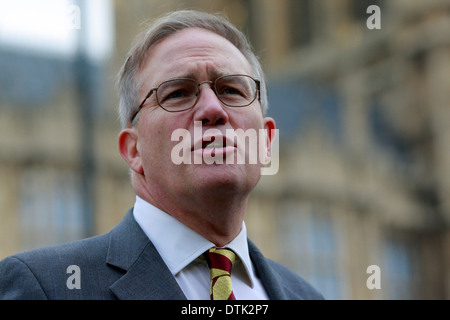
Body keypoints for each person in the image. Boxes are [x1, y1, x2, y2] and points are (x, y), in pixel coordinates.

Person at [0, 10, 323, 300]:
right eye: (178, 93)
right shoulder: (44, 286)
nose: (212, 109)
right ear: (133, 150)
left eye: (231, 90)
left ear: (266, 141)